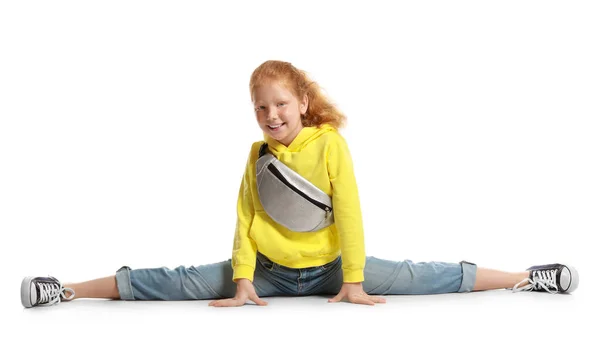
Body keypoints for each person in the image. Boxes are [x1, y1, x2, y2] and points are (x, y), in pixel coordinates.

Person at [20, 60, 579, 308]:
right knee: (183, 281)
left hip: (335, 267)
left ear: (303, 103)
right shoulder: (256, 154)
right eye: (261, 107)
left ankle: (529, 277)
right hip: (268, 272)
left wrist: (354, 282)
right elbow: (244, 220)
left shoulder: (329, 144)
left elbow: (351, 214)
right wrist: (243, 281)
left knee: (419, 274)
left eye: (281, 103)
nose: (271, 114)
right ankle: (66, 290)